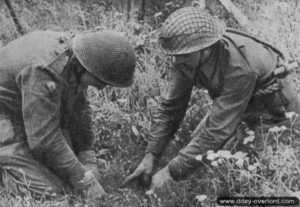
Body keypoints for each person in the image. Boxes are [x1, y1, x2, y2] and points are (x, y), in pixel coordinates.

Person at [124, 7, 300, 193]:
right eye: (174, 55)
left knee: (240, 172)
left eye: (183, 55)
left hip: (276, 116)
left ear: (205, 51)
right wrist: (151, 156)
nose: (176, 61)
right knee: (196, 147)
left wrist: (169, 174)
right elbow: (170, 109)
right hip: (236, 107)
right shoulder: (186, 57)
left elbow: (216, 132)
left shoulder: (240, 67)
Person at [0, 30, 136, 200]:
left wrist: (88, 157)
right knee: (54, 192)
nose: (101, 88)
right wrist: (85, 180)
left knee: (68, 175)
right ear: (85, 68)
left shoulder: (78, 57)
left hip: (28, 110)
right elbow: (43, 140)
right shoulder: (44, 70)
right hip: (5, 116)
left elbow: (80, 109)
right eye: (101, 82)